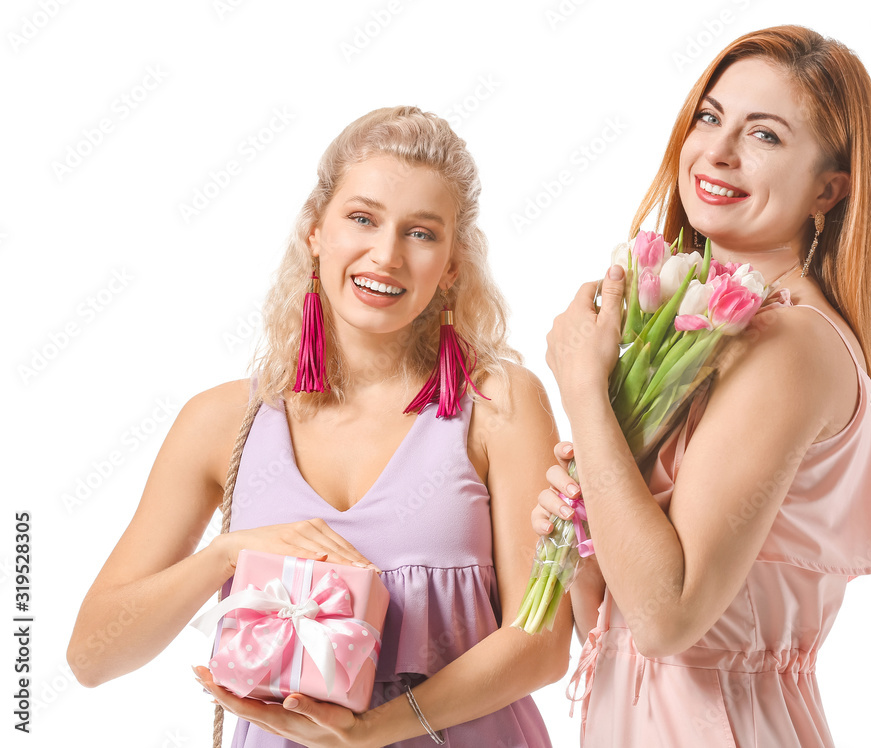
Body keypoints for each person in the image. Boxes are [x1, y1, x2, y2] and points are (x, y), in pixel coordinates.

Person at [68, 106, 572, 747]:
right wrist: (228, 552)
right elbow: (92, 656)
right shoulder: (222, 423)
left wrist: (371, 731)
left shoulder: (497, 405)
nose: (386, 255)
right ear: (315, 232)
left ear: (451, 265)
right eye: (362, 219)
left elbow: (543, 643)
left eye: (421, 233)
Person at [532, 25, 871, 747]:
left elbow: (668, 621)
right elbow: (611, 623)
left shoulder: (787, 343)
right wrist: (575, 529)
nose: (718, 151)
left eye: (764, 136)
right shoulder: (703, 335)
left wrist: (582, 388)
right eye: (710, 116)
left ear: (829, 188)